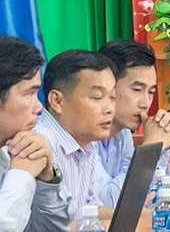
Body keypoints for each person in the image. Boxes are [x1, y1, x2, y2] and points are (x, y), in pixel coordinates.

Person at [95, 40, 170, 207]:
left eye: (151, 92)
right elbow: (111, 204)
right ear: (108, 87)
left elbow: (152, 201)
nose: (146, 103)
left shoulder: (123, 133)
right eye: (137, 90)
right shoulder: (84, 133)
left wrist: (159, 150)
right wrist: (150, 148)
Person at [34, 49, 117, 219]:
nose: (110, 109)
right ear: (57, 101)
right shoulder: (41, 144)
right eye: (97, 97)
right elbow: (53, 227)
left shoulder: (87, 143)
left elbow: (90, 206)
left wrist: (143, 218)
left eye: (113, 97)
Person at [0, 35, 71, 232]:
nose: (39, 107)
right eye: (29, 94)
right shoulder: (19, 161)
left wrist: (47, 179)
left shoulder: (11, 151)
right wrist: (21, 175)